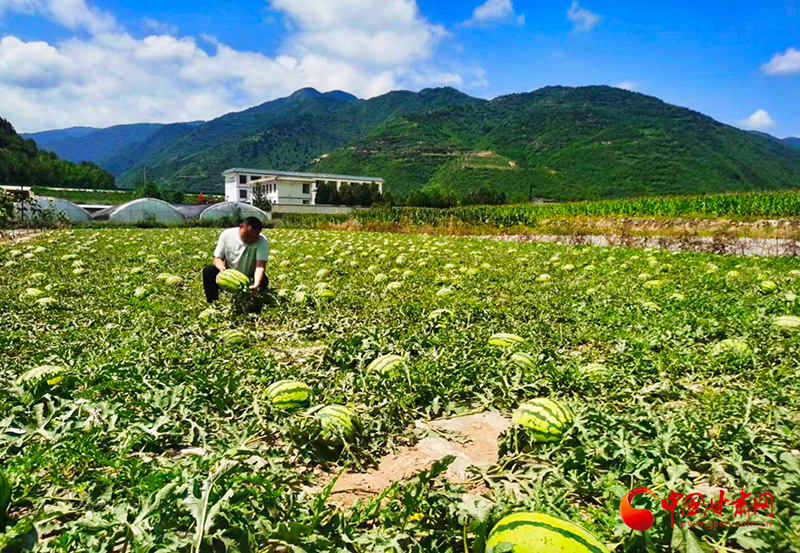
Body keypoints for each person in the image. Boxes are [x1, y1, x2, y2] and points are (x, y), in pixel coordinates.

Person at [203, 217, 270, 311]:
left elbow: (260, 266)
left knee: (263, 281)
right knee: (208, 271)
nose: (250, 239)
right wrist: (223, 271)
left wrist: (256, 284)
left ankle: (252, 300)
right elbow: (217, 258)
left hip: (249, 276)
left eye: (254, 237)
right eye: (247, 235)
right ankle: (213, 304)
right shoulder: (227, 235)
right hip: (228, 272)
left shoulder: (262, 241)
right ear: (241, 227)